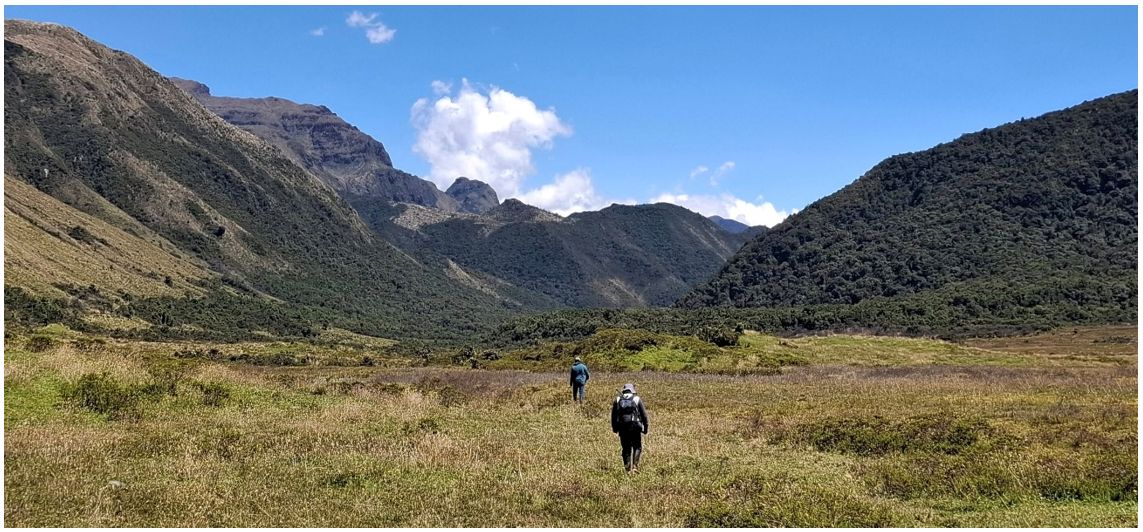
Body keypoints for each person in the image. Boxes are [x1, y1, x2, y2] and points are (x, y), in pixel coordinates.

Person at [611, 382, 649, 473]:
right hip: (635, 426)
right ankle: (635, 466)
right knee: (637, 447)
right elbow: (644, 416)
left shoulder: (617, 400)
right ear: (633, 391)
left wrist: (615, 428)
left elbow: (613, 416)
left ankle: (627, 469)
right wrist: (645, 428)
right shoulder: (637, 399)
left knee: (626, 448)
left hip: (623, 427)